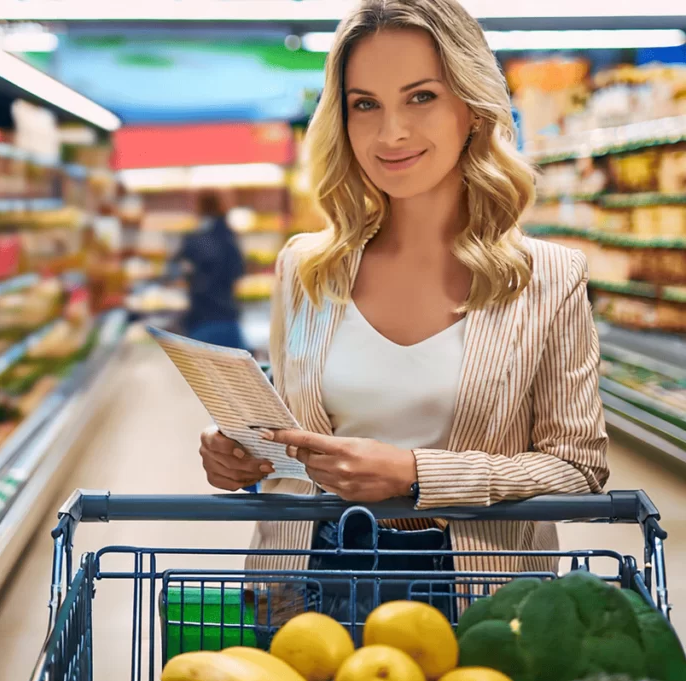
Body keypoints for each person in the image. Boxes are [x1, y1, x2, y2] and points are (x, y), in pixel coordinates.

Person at [196, 0, 609, 625]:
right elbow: (292, 427)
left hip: (483, 600)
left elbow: (579, 467)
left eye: (420, 97)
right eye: (365, 104)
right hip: (310, 590)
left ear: (472, 107)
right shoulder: (306, 269)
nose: (390, 133)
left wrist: (416, 474)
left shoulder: (547, 278)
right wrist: (246, 453)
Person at [172, 191, 247, 349]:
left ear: (199, 208)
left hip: (202, 319)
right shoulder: (229, 237)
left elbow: (175, 270)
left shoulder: (195, 240)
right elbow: (239, 271)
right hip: (228, 317)